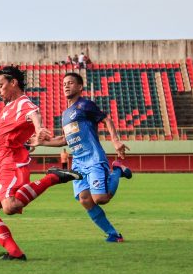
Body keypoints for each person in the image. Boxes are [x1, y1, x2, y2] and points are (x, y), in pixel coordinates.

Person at [0, 66, 81, 261]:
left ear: (13, 82)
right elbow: (3, 126)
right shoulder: (9, 107)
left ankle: (53, 178)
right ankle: (15, 254)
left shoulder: (22, 102)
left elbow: (34, 114)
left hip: (11, 161)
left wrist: (39, 128)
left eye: (1, 86)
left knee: (9, 207)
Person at [32, 72, 131, 243]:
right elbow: (64, 139)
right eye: (64, 83)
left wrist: (115, 141)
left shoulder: (85, 105)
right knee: (85, 200)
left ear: (79, 87)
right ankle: (114, 234)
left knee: (101, 199)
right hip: (78, 162)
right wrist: (41, 143)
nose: (66, 86)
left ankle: (117, 170)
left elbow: (106, 120)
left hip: (93, 158)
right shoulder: (65, 114)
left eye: (70, 83)